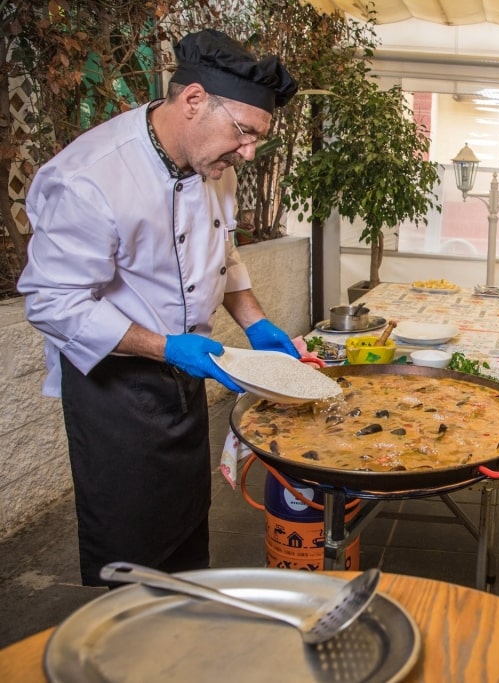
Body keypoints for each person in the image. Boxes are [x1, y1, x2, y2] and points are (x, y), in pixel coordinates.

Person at [17, 30, 301, 586]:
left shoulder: (215, 166)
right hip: (114, 388)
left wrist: (256, 321)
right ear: (193, 100)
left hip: (183, 375)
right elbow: (53, 302)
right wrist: (166, 346)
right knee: (130, 547)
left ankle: (179, 633)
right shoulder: (88, 177)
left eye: (256, 140)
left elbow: (224, 250)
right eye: (244, 134)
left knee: (186, 527)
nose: (247, 152)